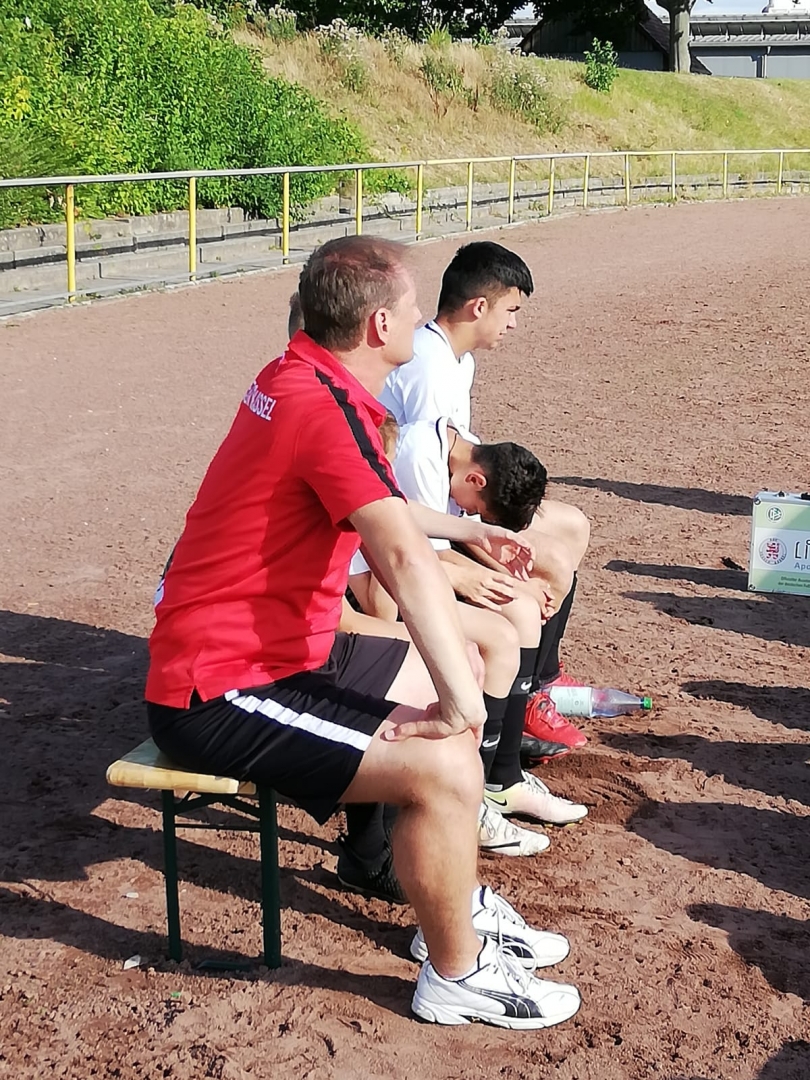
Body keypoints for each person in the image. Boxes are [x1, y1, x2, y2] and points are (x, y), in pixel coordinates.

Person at [145, 236, 581, 1029]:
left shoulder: (306, 378)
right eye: (412, 310)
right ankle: (456, 974)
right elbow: (403, 562)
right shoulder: (324, 406)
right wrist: (463, 702)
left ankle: (443, 898)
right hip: (221, 684)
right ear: (379, 325)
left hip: (286, 647)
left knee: (446, 682)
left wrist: (471, 532)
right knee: (444, 757)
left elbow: (379, 506)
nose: (422, 322)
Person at [380, 241, 591, 750]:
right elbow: (431, 485)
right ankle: (525, 695)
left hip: (453, 498)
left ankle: (540, 677)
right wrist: (491, 559)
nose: (513, 323)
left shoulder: (458, 360)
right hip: (428, 512)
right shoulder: (428, 369)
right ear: (479, 307)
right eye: (511, 310)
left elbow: (463, 457)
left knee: (572, 526)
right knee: (550, 565)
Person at [350, 415, 588, 843]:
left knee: (510, 625)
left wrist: (480, 540)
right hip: (375, 600)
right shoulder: (408, 461)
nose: (467, 510)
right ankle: (471, 797)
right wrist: (466, 577)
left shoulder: (430, 456)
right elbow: (386, 587)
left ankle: (498, 780)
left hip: (400, 575)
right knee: (495, 638)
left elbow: (405, 522)